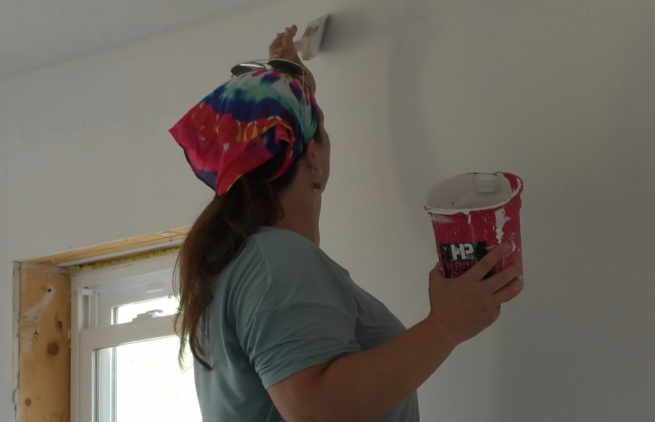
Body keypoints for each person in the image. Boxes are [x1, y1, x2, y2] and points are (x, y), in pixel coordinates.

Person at [169, 24, 524, 422]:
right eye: (322, 130)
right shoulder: (276, 260)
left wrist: (293, 82)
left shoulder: (241, 263)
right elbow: (314, 407)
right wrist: (445, 326)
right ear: (312, 159)